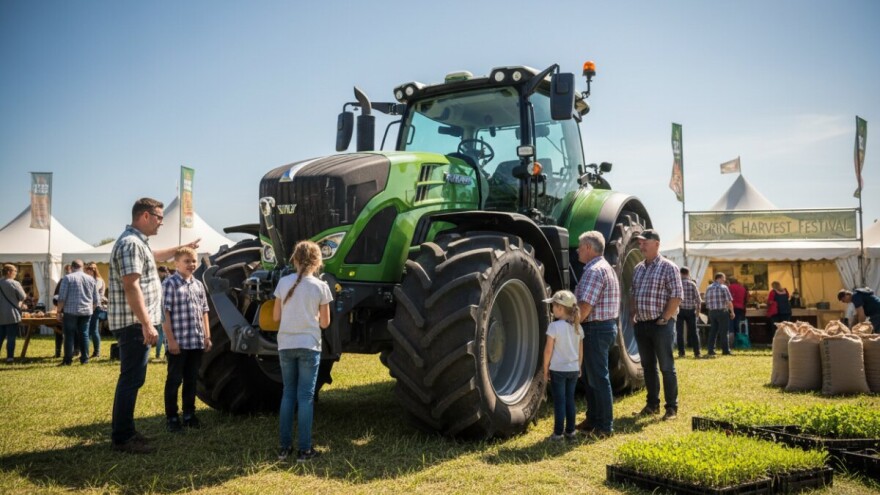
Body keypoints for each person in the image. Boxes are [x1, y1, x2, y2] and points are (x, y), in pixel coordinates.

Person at [109, 197, 200, 454]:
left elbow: (154, 256)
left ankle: (125, 432)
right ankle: (123, 438)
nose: (161, 222)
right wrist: (147, 324)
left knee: (132, 379)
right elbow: (131, 284)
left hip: (134, 323)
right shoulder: (130, 244)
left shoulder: (138, 244)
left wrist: (182, 247)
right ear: (145, 216)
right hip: (133, 324)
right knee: (131, 379)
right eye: (159, 217)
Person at [272, 240, 333, 462]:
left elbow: (276, 317)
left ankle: (284, 448)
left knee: (288, 393)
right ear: (317, 262)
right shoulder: (321, 287)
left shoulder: (283, 283)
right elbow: (325, 323)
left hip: (285, 344)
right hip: (309, 344)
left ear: (294, 260)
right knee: (305, 396)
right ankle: (305, 450)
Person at [630, 229, 682, 421]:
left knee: (666, 367)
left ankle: (671, 408)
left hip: (661, 325)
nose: (641, 246)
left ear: (657, 244)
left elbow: (677, 295)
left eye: (645, 242)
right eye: (640, 243)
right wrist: (632, 314)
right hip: (642, 324)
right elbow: (633, 293)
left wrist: (665, 318)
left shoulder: (669, 267)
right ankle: (652, 405)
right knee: (648, 367)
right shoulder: (638, 268)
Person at [573, 230, 619, 437]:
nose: (577, 251)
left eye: (580, 247)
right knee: (593, 377)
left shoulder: (593, 271)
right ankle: (593, 420)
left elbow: (585, 306)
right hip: (603, 327)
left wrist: (569, 324)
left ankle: (604, 426)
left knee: (598, 378)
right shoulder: (605, 267)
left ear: (589, 248)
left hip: (595, 329)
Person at [162, 247, 212, 433]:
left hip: (196, 341)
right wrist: (171, 341)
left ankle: (189, 414)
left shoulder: (198, 285)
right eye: (187, 261)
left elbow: (205, 311)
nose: (191, 264)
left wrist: (207, 336)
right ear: (176, 263)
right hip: (179, 342)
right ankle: (172, 417)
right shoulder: (170, 284)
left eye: (194, 261)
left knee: (191, 379)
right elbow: (164, 314)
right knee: (174, 379)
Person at [542, 290, 583, 441]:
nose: (552, 309)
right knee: (570, 400)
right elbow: (580, 351)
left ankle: (558, 434)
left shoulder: (554, 327)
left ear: (560, 308)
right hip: (573, 370)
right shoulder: (578, 328)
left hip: (558, 370)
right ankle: (571, 432)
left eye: (553, 306)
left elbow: (548, 351)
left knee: (560, 401)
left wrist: (545, 369)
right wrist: (579, 367)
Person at [56, 259, 101, 365]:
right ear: (82, 267)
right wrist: (92, 309)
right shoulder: (90, 279)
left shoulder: (67, 278)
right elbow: (96, 299)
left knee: (69, 335)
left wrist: (58, 311)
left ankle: (67, 360)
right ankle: (85, 359)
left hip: (70, 311)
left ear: (72, 267)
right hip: (86, 311)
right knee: (84, 335)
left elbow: (62, 297)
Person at [0, 264, 26, 364]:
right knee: (11, 337)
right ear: (9, 272)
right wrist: (19, 303)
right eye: (15, 271)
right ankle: (10, 357)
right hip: (12, 313)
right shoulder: (15, 283)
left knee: (0, 337)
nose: (16, 273)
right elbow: (23, 296)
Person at [705, 273, 735, 356]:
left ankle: (711, 350)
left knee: (713, 331)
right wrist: (732, 312)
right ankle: (725, 350)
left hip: (712, 312)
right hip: (722, 311)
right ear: (720, 278)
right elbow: (729, 301)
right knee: (724, 331)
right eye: (723, 278)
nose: (724, 280)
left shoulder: (708, 288)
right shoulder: (724, 287)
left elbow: (706, 300)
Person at [676, 267, 702, 358]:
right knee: (694, 332)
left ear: (681, 273)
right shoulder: (692, 284)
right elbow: (698, 300)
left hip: (679, 310)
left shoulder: (677, 284)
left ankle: (681, 353)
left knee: (679, 333)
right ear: (688, 273)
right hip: (691, 311)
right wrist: (698, 312)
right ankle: (697, 352)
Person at [85, 262, 107, 358]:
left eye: (90, 269)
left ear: (93, 270)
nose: (88, 271)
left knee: (94, 330)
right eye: (87, 269)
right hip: (90, 306)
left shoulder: (98, 280)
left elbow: (93, 293)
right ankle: (87, 351)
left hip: (95, 306)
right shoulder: (91, 279)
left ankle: (96, 352)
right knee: (90, 330)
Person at [53, 264, 72, 358]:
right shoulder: (61, 281)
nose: (68, 272)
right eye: (66, 270)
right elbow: (55, 297)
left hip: (71, 311)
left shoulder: (76, 280)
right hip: (64, 310)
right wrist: (59, 309)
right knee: (58, 331)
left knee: (72, 333)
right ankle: (58, 352)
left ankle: (74, 352)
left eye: (69, 270)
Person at [154, 266, 171, 359]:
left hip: (162, 310)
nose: (158, 275)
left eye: (159, 273)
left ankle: (160, 354)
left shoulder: (165, 282)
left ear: (163, 272)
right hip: (163, 310)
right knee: (163, 333)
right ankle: (163, 354)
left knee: (162, 334)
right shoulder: (168, 280)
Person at [727, 277, 748, 342]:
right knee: (737, 323)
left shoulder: (729, 288)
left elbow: (727, 298)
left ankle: (731, 340)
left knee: (730, 323)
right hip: (740, 307)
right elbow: (746, 299)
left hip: (731, 307)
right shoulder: (742, 288)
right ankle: (737, 339)